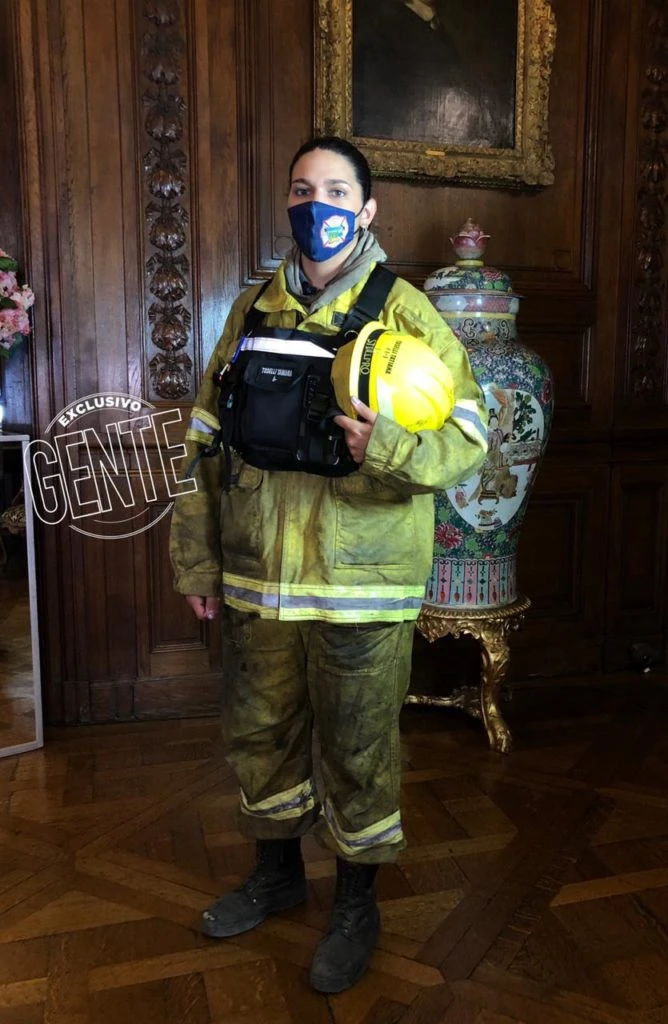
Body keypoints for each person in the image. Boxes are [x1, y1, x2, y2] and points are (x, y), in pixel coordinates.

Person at [169, 136, 487, 994]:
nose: (318, 206)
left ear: (369, 209)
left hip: (362, 588)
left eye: (337, 190)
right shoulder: (251, 314)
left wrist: (383, 444)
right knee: (260, 737)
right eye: (302, 189)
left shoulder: (408, 314)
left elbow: (469, 439)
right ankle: (275, 875)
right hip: (256, 580)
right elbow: (202, 438)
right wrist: (198, 563)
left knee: (358, 749)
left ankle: (356, 903)